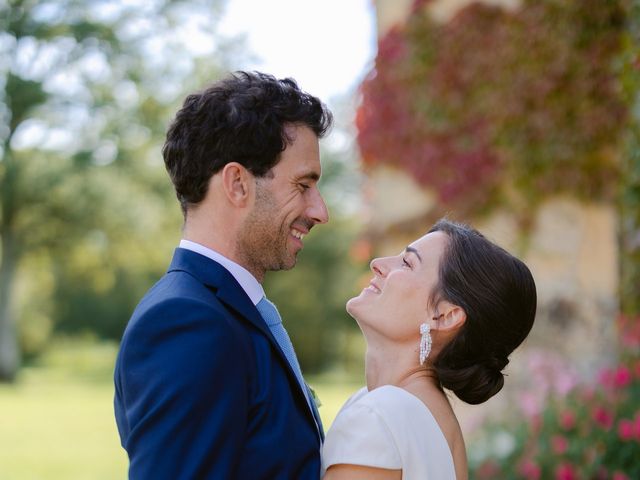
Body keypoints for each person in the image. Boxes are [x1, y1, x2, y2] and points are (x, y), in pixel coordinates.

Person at [114, 71, 333, 479]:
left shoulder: (226, 311)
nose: (320, 211)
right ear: (237, 183)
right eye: (303, 185)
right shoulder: (187, 323)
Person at [322, 219, 537, 480]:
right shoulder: (438, 419)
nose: (377, 264)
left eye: (407, 263)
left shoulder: (378, 416)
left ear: (444, 316)